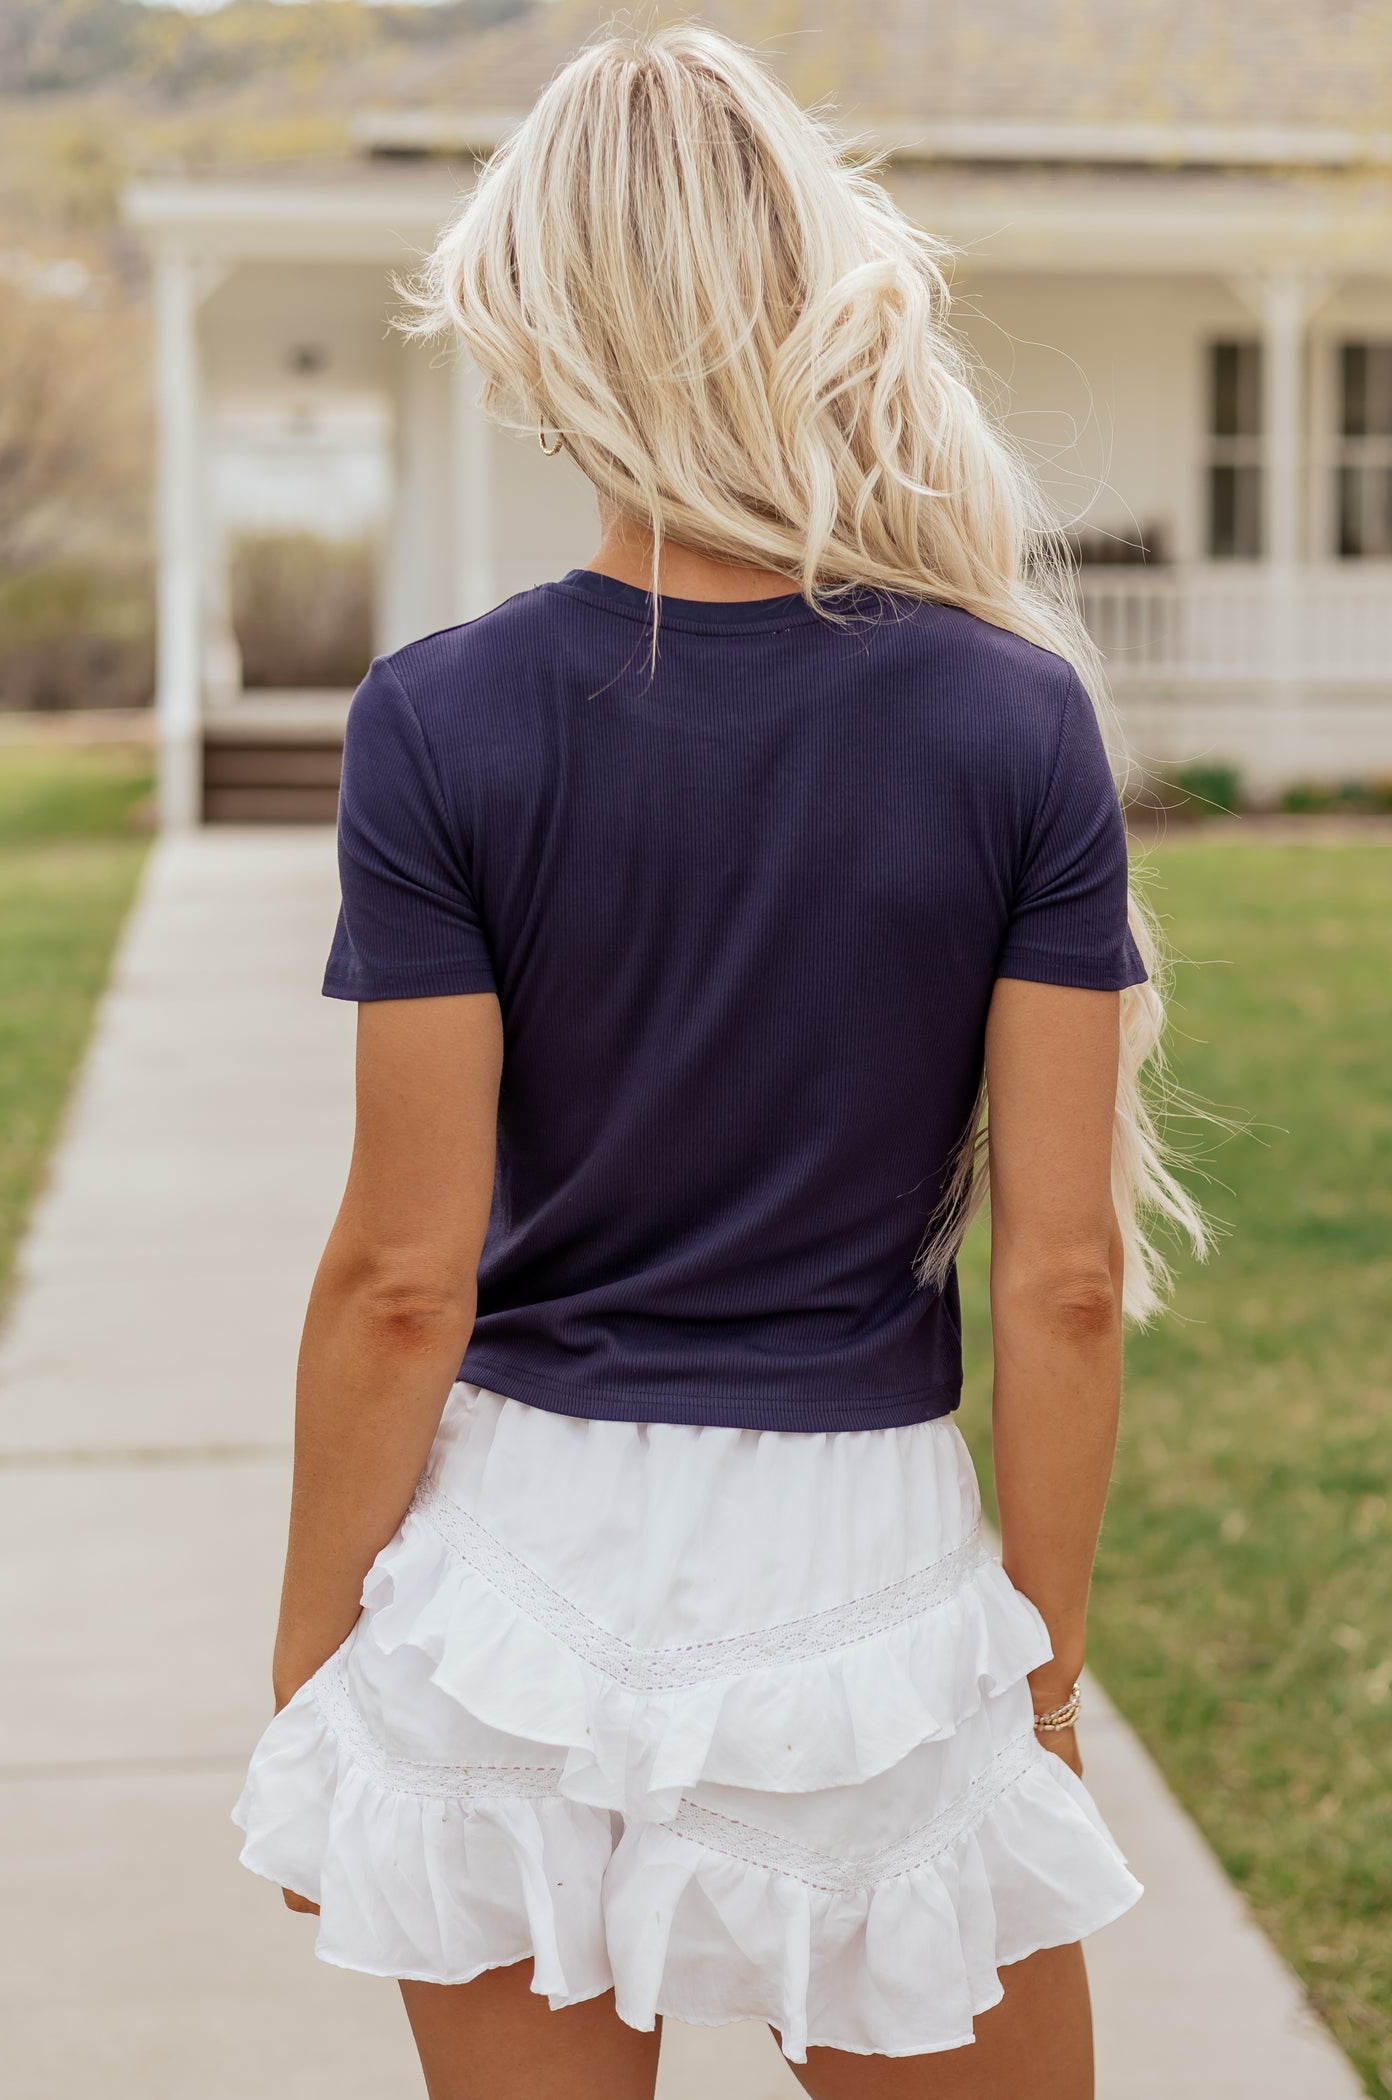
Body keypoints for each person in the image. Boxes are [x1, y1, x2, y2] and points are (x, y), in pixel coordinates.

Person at [232, 24, 1208, 2099]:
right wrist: (1030, 1673)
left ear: (534, 325)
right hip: (850, 1570)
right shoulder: (1008, 716)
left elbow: (403, 1278)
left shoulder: (437, 722)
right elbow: (1057, 1277)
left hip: (509, 1563)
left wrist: (317, 1665)